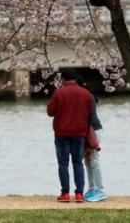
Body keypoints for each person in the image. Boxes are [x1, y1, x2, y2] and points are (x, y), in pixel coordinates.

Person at [47, 70, 93, 202]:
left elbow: (50, 112)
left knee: (63, 163)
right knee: (78, 163)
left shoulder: (59, 93)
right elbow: (90, 114)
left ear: (63, 80)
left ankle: (65, 193)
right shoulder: (85, 94)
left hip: (62, 133)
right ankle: (79, 194)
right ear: (76, 79)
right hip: (79, 133)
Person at [80, 80, 106, 202]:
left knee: (94, 160)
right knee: (87, 161)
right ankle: (91, 189)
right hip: (86, 130)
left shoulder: (87, 96)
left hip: (94, 130)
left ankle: (101, 191)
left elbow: (87, 115)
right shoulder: (85, 95)